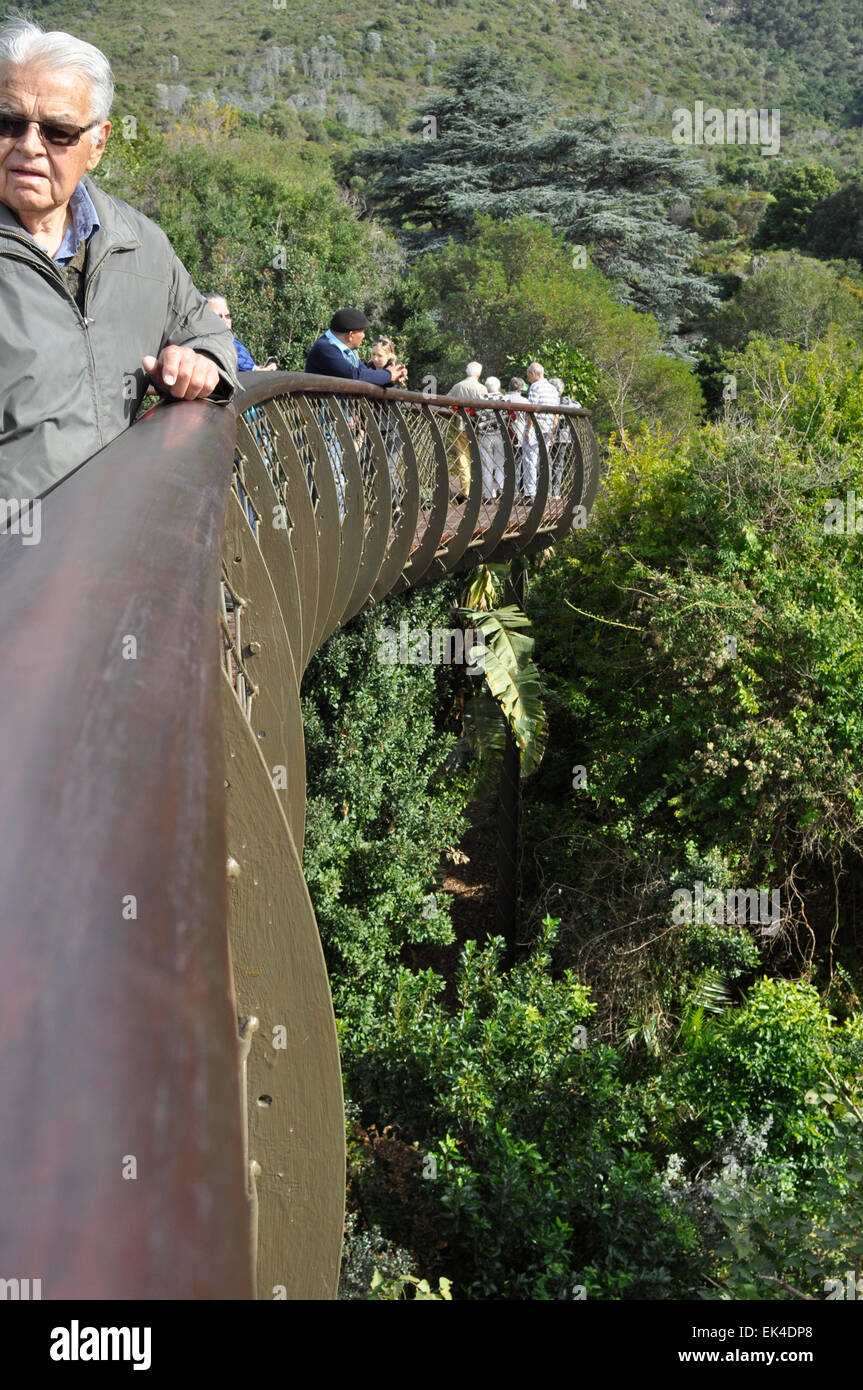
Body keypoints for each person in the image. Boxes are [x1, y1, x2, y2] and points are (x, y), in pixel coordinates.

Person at [0, 17, 239, 498]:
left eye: (58, 131)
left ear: (98, 144)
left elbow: (207, 333)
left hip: (117, 546)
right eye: (7, 123)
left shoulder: (140, 242)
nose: (29, 145)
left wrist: (200, 363)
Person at [305, 309, 407, 386]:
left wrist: (394, 377)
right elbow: (355, 375)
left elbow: (365, 374)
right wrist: (389, 374)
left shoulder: (348, 351)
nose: (364, 335)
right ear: (351, 335)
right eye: (362, 331)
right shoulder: (325, 348)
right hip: (319, 413)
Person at [446, 362, 487, 498]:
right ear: (479, 373)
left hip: (461, 426)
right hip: (478, 427)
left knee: (463, 458)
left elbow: (446, 401)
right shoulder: (482, 389)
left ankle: (466, 489)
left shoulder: (458, 386)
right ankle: (478, 489)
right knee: (476, 458)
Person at [206, 294, 277, 372]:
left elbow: (247, 368)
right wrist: (260, 371)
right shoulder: (205, 347)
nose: (224, 320)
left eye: (227, 316)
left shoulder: (235, 343)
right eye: (218, 316)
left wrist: (260, 368)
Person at [521, 362, 560, 499]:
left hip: (536, 429)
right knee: (543, 462)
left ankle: (530, 493)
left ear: (533, 374)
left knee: (530, 461)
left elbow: (532, 410)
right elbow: (556, 413)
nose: (528, 379)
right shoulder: (553, 389)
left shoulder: (535, 387)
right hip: (548, 429)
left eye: (528, 376)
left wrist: (527, 429)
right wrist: (553, 432)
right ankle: (544, 492)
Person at [476, 375, 506, 500]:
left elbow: (475, 415)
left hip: (484, 435)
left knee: (487, 465)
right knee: (500, 463)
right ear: (498, 386)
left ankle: (488, 494)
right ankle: (500, 488)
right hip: (499, 434)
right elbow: (510, 416)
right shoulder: (504, 399)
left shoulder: (481, 399)